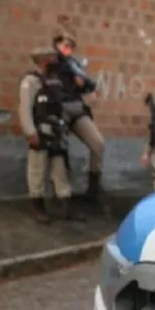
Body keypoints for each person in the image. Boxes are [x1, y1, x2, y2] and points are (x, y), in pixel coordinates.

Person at [19, 47, 84, 223]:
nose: (55, 60)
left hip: (56, 132)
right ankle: (38, 207)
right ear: (42, 60)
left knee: (60, 170)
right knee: (37, 170)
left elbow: (61, 106)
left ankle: (65, 207)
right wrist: (30, 132)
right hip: (40, 132)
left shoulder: (55, 81)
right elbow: (25, 108)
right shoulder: (31, 81)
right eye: (51, 57)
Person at [50, 31, 106, 202]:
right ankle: (61, 193)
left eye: (71, 46)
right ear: (57, 45)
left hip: (77, 107)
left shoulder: (74, 63)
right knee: (59, 150)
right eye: (65, 45)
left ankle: (93, 188)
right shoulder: (52, 62)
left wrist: (83, 85)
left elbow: (88, 84)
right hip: (59, 108)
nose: (68, 49)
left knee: (98, 143)